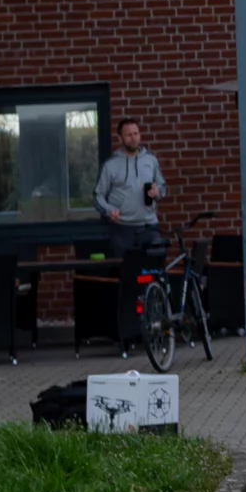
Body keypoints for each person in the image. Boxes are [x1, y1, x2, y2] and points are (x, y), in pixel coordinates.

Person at [95, 116, 167, 351]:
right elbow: (98, 196)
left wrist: (158, 191)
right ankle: (127, 333)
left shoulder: (150, 161)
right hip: (122, 230)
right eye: (129, 134)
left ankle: (157, 328)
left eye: (136, 133)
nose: (134, 138)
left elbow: (162, 187)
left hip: (148, 226)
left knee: (153, 277)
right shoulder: (110, 166)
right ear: (120, 138)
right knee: (126, 282)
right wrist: (108, 211)